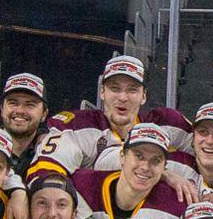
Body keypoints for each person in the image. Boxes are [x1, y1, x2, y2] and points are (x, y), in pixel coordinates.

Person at [31, 55, 191, 179]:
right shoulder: (74, 126)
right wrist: (163, 174)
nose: (122, 97)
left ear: (144, 96)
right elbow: (45, 177)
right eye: (115, 88)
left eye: (132, 90)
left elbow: (211, 152)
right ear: (102, 92)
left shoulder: (167, 123)